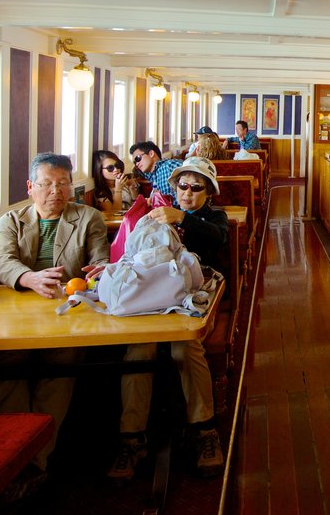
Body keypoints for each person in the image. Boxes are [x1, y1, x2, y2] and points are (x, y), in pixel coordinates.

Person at [0, 152, 110, 500]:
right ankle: (10, 458)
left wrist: (97, 273)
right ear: (31, 187)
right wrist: (28, 277)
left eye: (62, 184)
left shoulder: (89, 219)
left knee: (60, 368)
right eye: (46, 184)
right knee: (5, 368)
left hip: (68, 312)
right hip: (18, 314)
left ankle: (35, 462)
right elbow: (1, 260)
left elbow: (100, 259)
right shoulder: (11, 220)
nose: (55, 191)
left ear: (72, 187)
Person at [109, 156, 228, 481]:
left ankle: (204, 430)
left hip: (195, 301)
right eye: (182, 186)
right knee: (139, 350)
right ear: (174, 188)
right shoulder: (155, 218)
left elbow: (219, 239)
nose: (188, 193)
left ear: (208, 193)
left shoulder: (215, 217)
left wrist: (184, 221)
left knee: (184, 348)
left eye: (196, 187)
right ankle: (132, 437)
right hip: (152, 299)